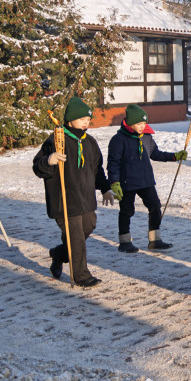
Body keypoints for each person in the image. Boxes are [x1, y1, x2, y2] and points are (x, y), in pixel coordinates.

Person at [32, 97, 116, 287]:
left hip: (85, 198)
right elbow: (37, 166)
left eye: (88, 118)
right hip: (64, 199)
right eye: (82, 118)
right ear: (70, 120)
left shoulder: (90, 142)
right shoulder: (57, 139)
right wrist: (49, 160)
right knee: (76, 237)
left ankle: (59, 253)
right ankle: (81, 276)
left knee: (89, 226)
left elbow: (97, 169)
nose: (86, 121)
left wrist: (105, 189)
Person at [107, 103, 185, 253]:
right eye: (139, 123)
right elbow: (113, 163)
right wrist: (114, 182)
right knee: (127, 210)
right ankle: (124, 242)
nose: (143, 126)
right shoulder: (118, 140)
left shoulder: (146, 137)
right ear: (130, 123)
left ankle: (155, 240)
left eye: (144, 123)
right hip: (126, 182)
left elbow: (156, 154)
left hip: (145, 180)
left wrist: (174, 156)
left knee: (155, 206)